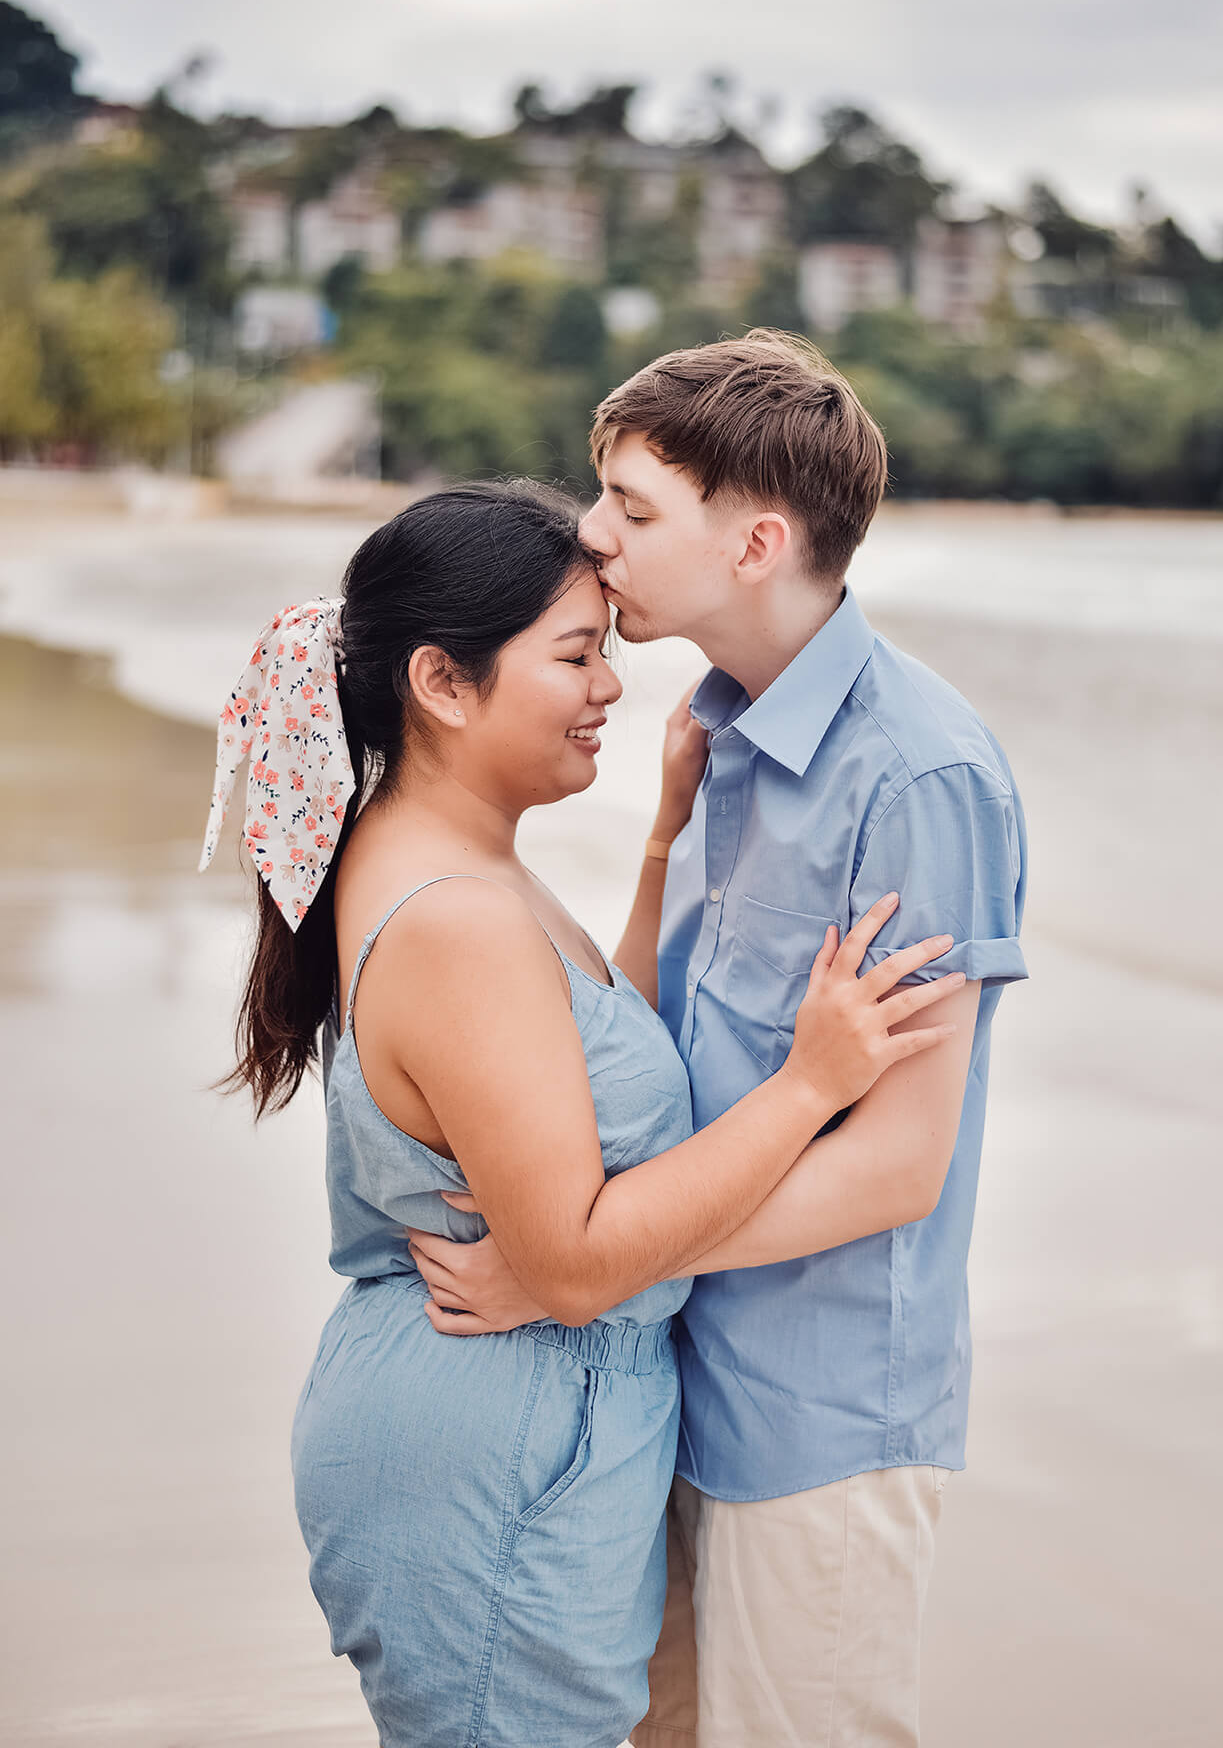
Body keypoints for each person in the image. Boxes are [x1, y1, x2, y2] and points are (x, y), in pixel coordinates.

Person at [200, 481, 960, 1748]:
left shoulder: (458, 852)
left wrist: (664, 838)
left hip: (512, 1437)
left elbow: (597, 1071)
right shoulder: (453, 915)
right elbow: (572, 1260)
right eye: (573, 654)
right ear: (443, 683)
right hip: (492, 1459)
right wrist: (810, 1086)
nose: (610, 683)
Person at [408, 335, 1029, 1748]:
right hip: (667, 1388)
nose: (592, 534)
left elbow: (894, 1170)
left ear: (753, 543)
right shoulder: (716, 733)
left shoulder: (917, 777)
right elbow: (667, 1050)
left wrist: (575, 1267)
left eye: (632, 508)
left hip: (813, 1421)